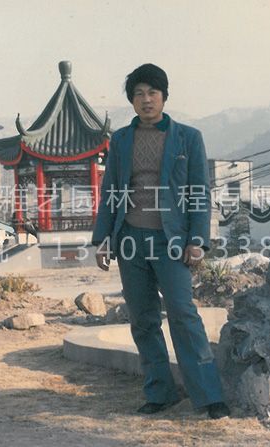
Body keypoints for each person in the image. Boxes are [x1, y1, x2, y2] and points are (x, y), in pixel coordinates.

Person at [91, 63, 229, 419]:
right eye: (139, 94)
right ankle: (159, 392)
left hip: (172, 241)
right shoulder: (121, 140)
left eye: (152, 92)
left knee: (183, 314)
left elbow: (199, 192)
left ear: (164, 96)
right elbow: (111, 191)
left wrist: (197, 239)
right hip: (130, 239)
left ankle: (209, 396)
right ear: (132, 101)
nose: (146, 99)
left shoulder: (188, 137)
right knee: (143, 319)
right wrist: (103, 239)